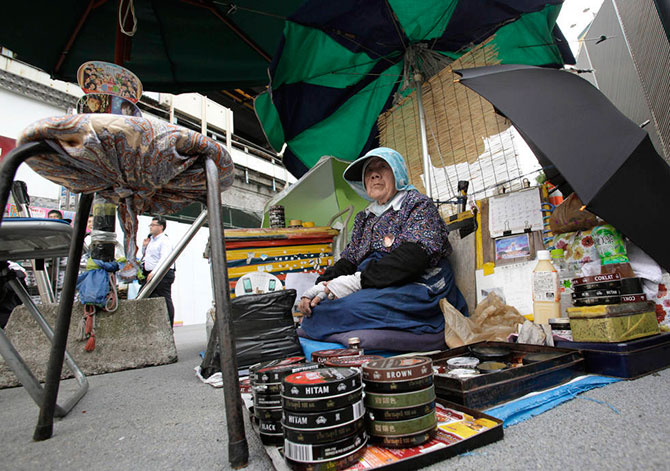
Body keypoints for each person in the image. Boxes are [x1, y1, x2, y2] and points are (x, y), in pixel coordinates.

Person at [298, 147, 468, 340]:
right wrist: (320, 286)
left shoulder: (417, 204)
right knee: (321, 307)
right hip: (375, 281)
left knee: (352, 308)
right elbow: (350, 258)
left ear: (397, 173)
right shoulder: (364, 217)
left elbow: (413, 257)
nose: (375, 174)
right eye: (369, 171)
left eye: (382, 167)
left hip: (417, 282)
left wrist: (356, 282)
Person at [140, 216, 176, 327]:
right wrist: (144, 247)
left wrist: (154, 273)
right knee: (147, 298)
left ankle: (169, 325)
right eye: (150, 225)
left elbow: (164, 258)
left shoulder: (164, 240)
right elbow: (147, 257)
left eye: (153, 225)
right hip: (151, 273)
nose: (151, 227)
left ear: (161, 227)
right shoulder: (151, 240)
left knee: (164, 298)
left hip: (161, 273)